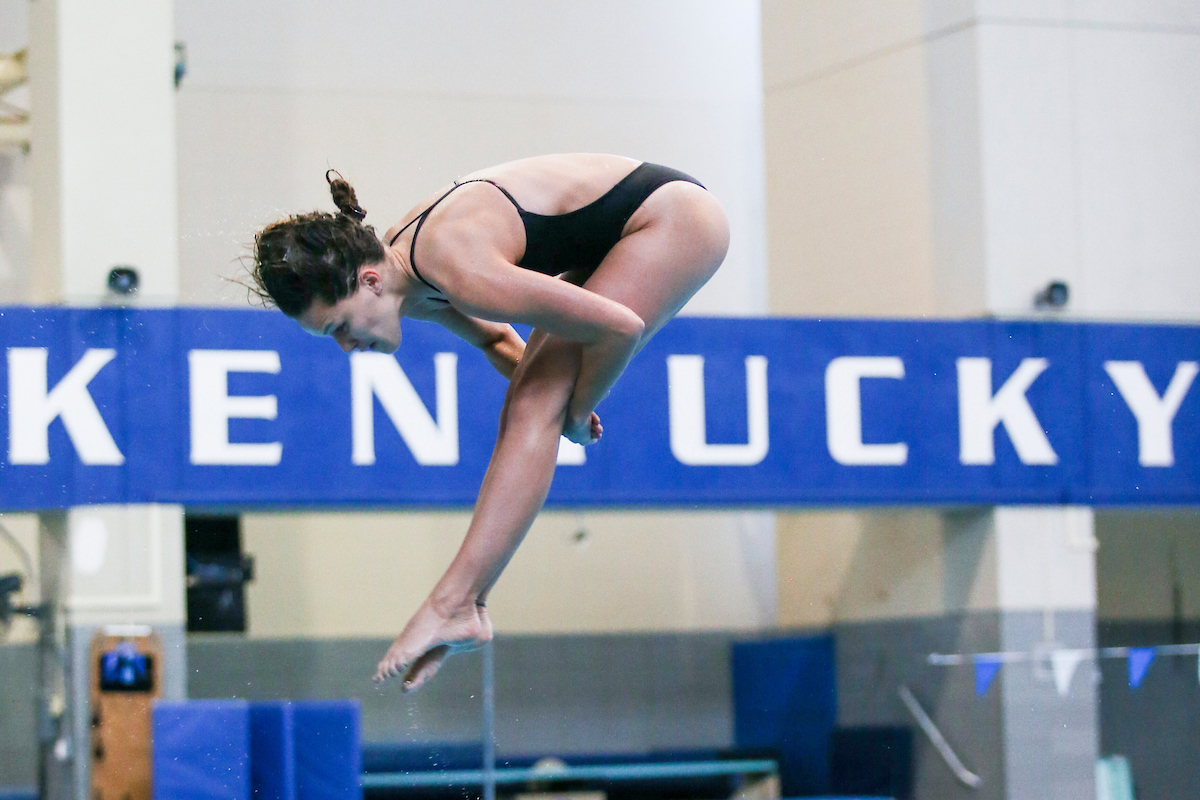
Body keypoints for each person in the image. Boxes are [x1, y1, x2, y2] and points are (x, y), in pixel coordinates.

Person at [250, 153, 729, 691]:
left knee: (534, 405)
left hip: (673, 219)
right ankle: (466, 605)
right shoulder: (409, 276)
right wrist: (555, 402)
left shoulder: (452, 264)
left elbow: (620, 328)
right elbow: (498, 340)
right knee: (531, 401)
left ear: (369, 281)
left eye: (340, 326)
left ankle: (453, 603)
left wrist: (572, 409)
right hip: (624, 228)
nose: (346, 347)